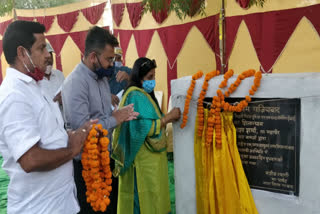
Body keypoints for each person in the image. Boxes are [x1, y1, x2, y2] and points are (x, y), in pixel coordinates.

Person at [0, 20, 97, 214]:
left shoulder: (38, 85)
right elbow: (30, 159)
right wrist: (72, 149)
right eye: (42, 48)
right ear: (22, 53)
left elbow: (48, 133)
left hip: (62, 203)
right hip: (39, 208)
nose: (48, 55)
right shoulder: (14, 95)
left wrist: (68, 135)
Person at [62, 26, 138, 214]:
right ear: (93, 57)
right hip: (87, 167)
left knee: (112, 209)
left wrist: (121, 115)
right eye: (109, 59)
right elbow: (82, 131)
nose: (113, 64)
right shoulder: (75, 83)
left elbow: (104, 117)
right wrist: (115, 119)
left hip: (107, 157)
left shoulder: (102, 78)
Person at [112, 57, 181, 214]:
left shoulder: (145, 94)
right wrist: (168, 117)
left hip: (152, 161)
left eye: (154, 76)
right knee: (143, 202)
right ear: (139, 77)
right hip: (141, 163)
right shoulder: (135, 95)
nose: (153, 81)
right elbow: (142, 128)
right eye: (150, 77)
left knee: (154, 199)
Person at [38, 43, 65, 116]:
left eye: (51, 56)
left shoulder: (59, 75)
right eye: (46, 58)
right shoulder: (36, 81)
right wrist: (55, 101)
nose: (49, 60)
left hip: (63, 122)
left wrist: (65, 99)